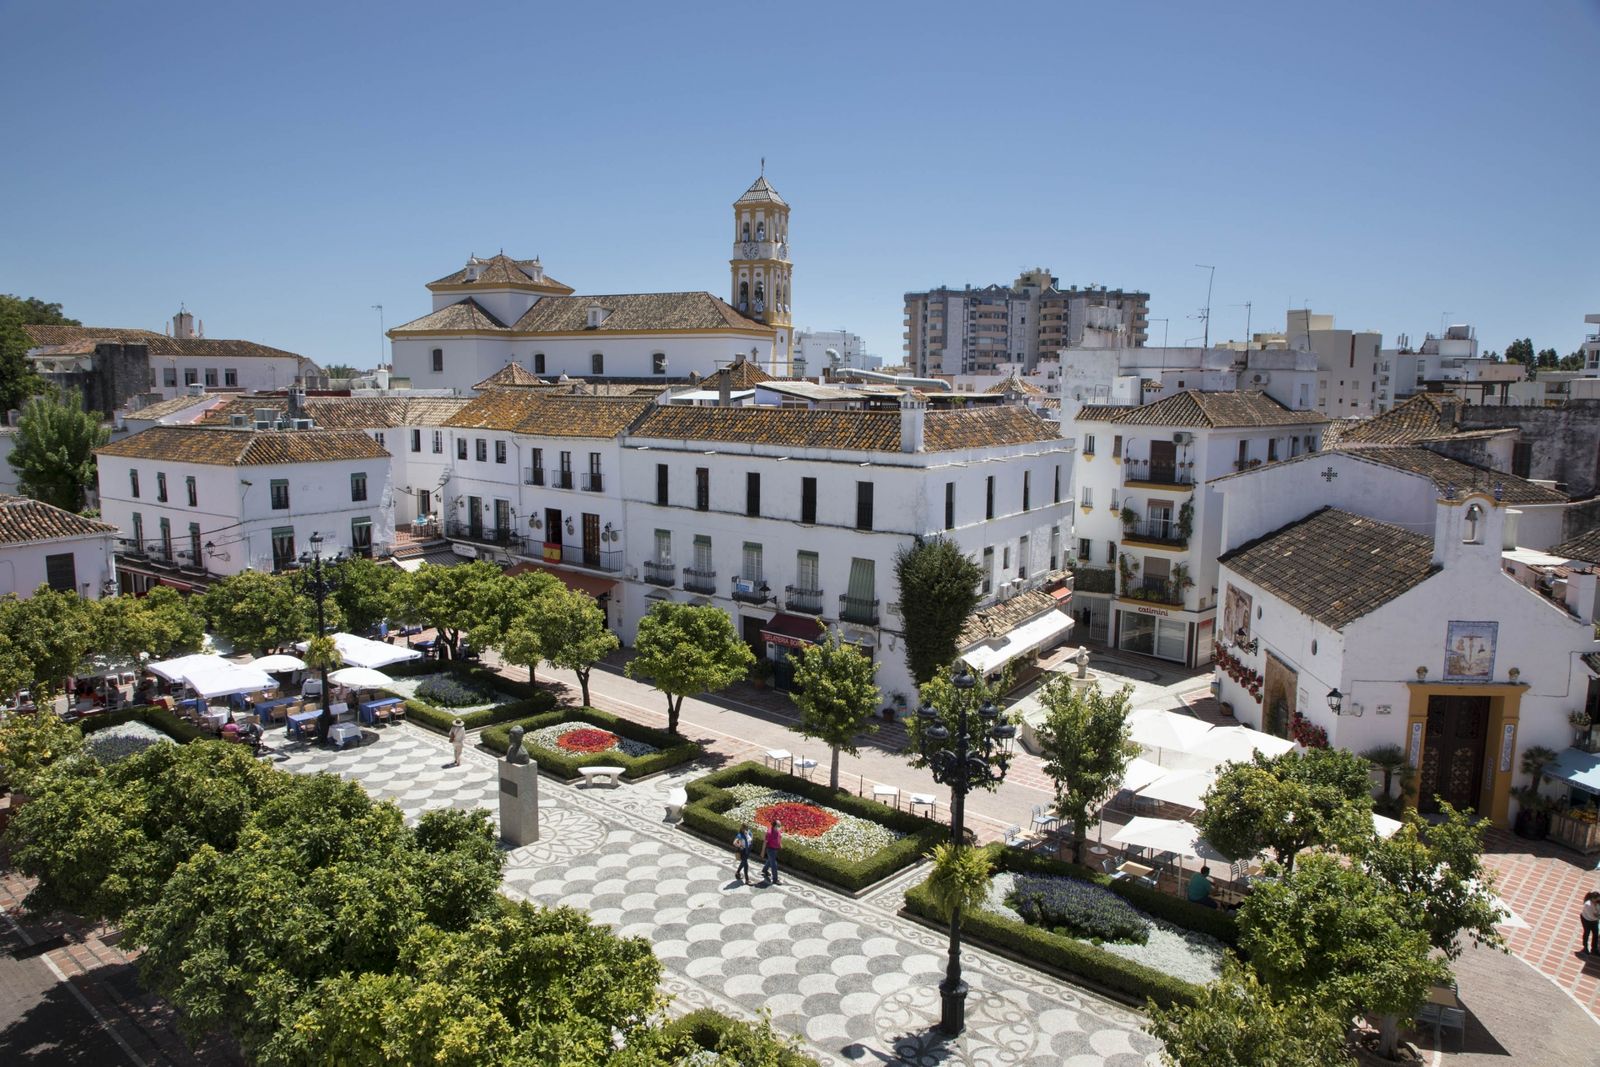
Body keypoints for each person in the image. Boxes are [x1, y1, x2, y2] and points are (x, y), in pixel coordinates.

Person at [763, 819, 783, 885]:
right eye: (778, 826)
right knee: (774, 864)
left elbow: (779, 836)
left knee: (770, 860)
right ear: (774, 826)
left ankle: (764, 870)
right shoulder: (769, 833)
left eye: (780, 825)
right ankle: (775, 879)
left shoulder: (777, 830)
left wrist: (780, 844)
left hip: (775, 849)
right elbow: (765, 842)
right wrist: (762, 852)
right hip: (770, 850)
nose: (780, 827)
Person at [1582, 891, 1600, 955]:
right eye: (1596, 900)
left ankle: (1594, 949)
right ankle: (1585, 947)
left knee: (1595, 934)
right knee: (1587, 933)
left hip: (1594, 920)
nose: (1598, 901)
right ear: (1592, 899)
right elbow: (1591, 916)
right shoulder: (1588, 905)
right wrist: (1598, 916)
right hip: (1587, 920)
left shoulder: (1598, 903)